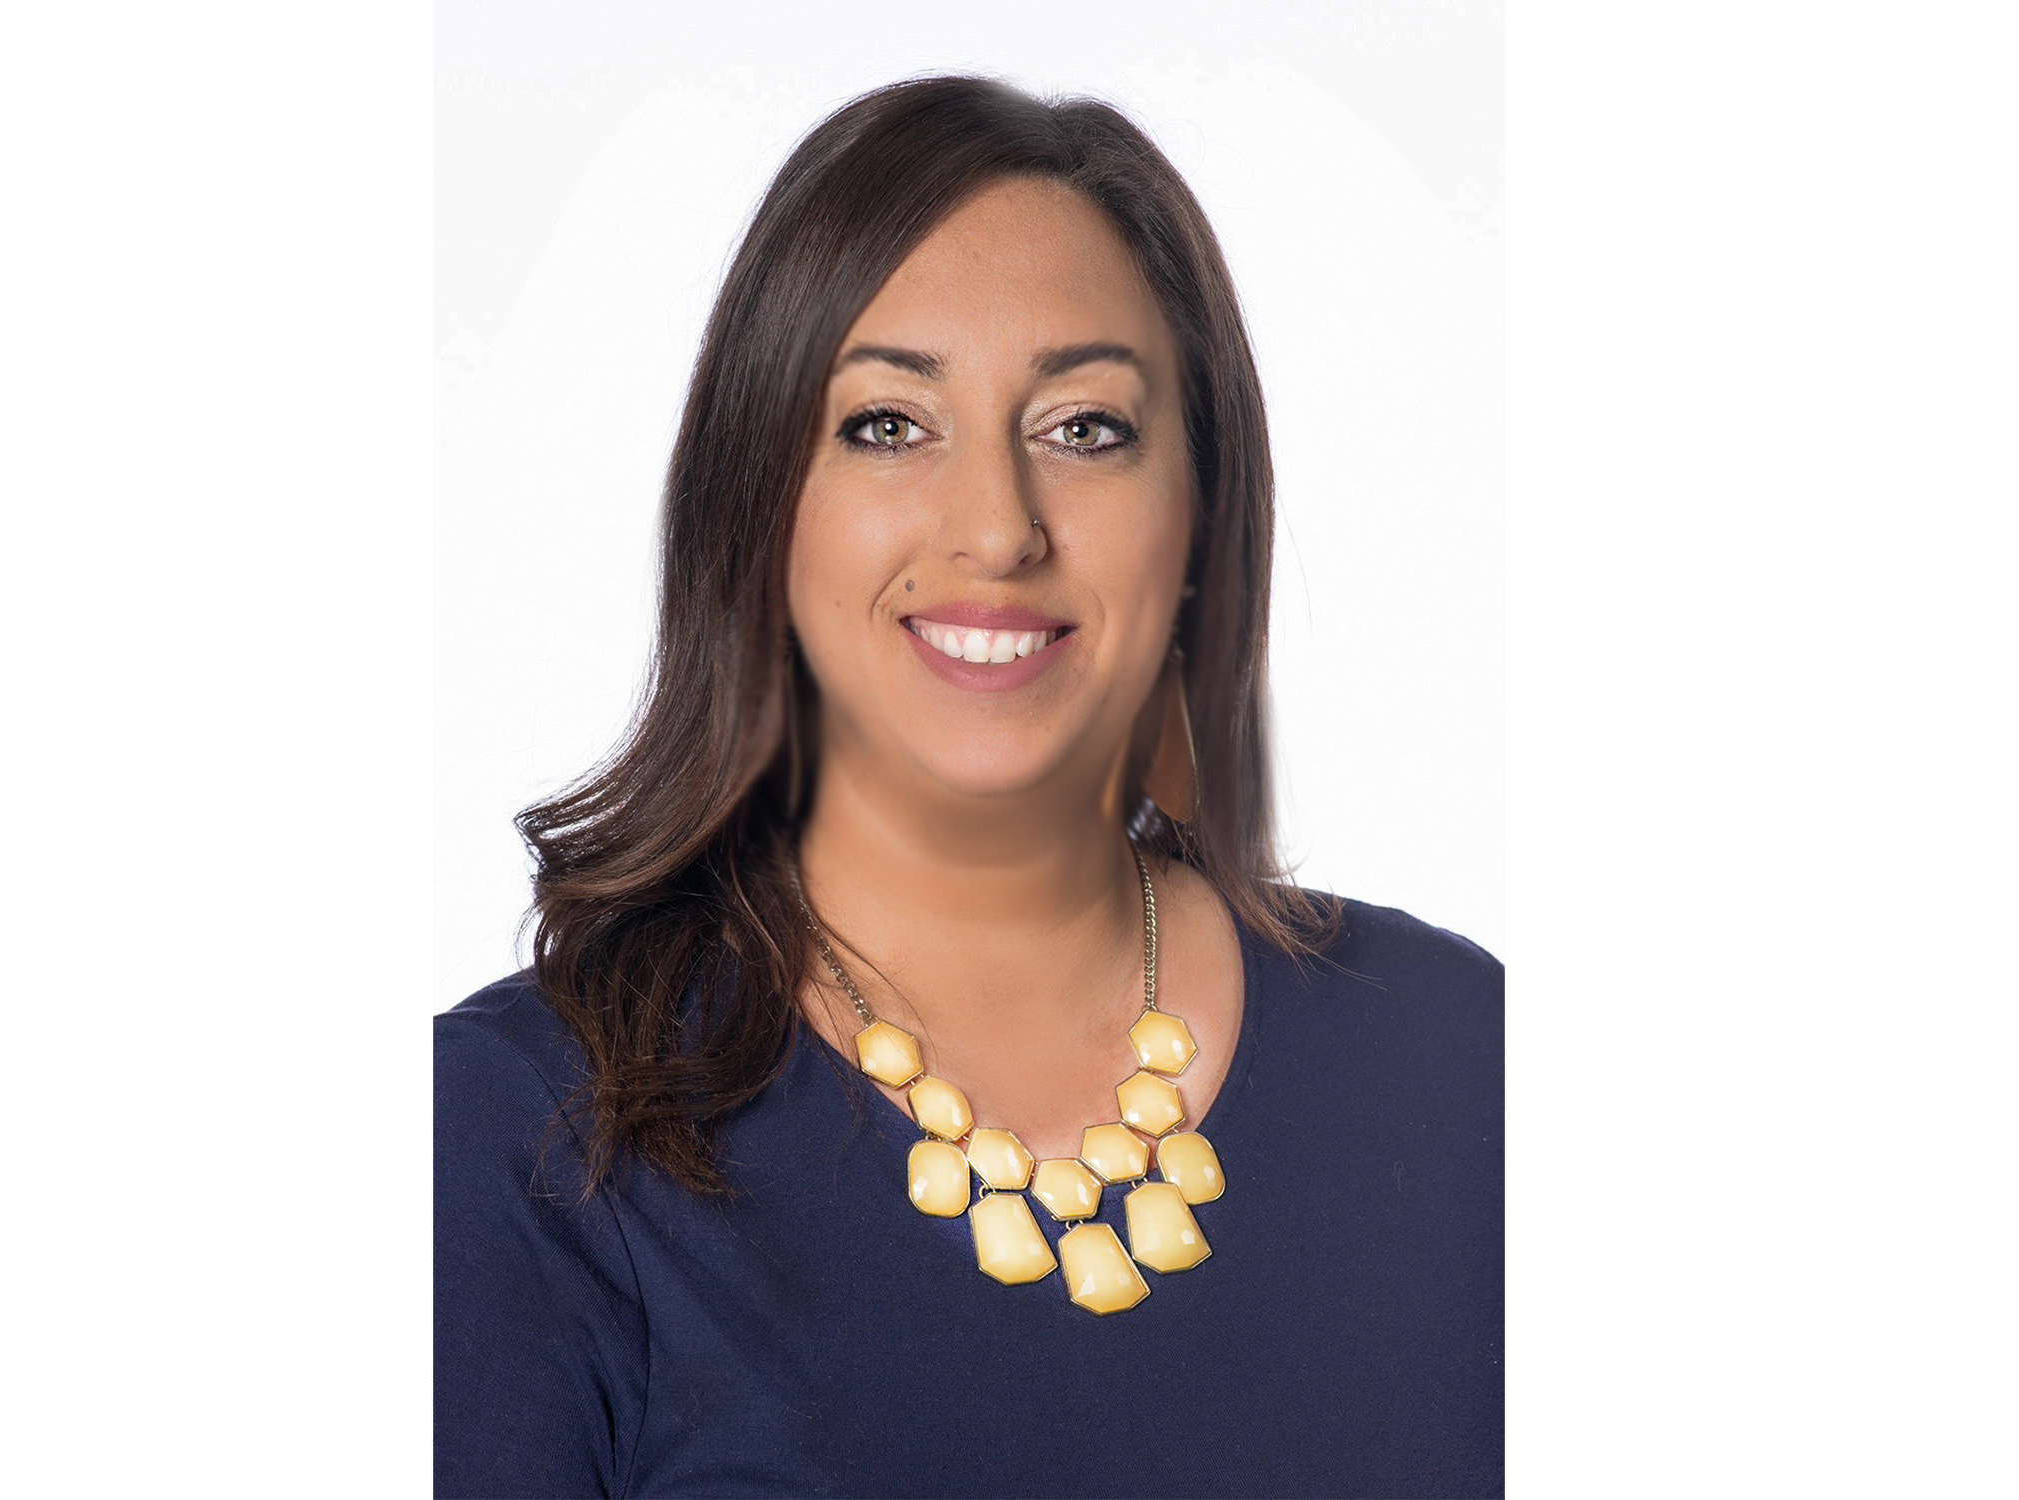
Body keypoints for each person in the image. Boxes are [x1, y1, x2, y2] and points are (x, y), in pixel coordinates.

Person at [435, 73, 1501, 1500]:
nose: (998, 527)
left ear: (1200, 518)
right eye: (886, 424)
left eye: (1086, 428)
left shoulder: (1466, 1063)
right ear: (758, 509)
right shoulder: (523, 1142)